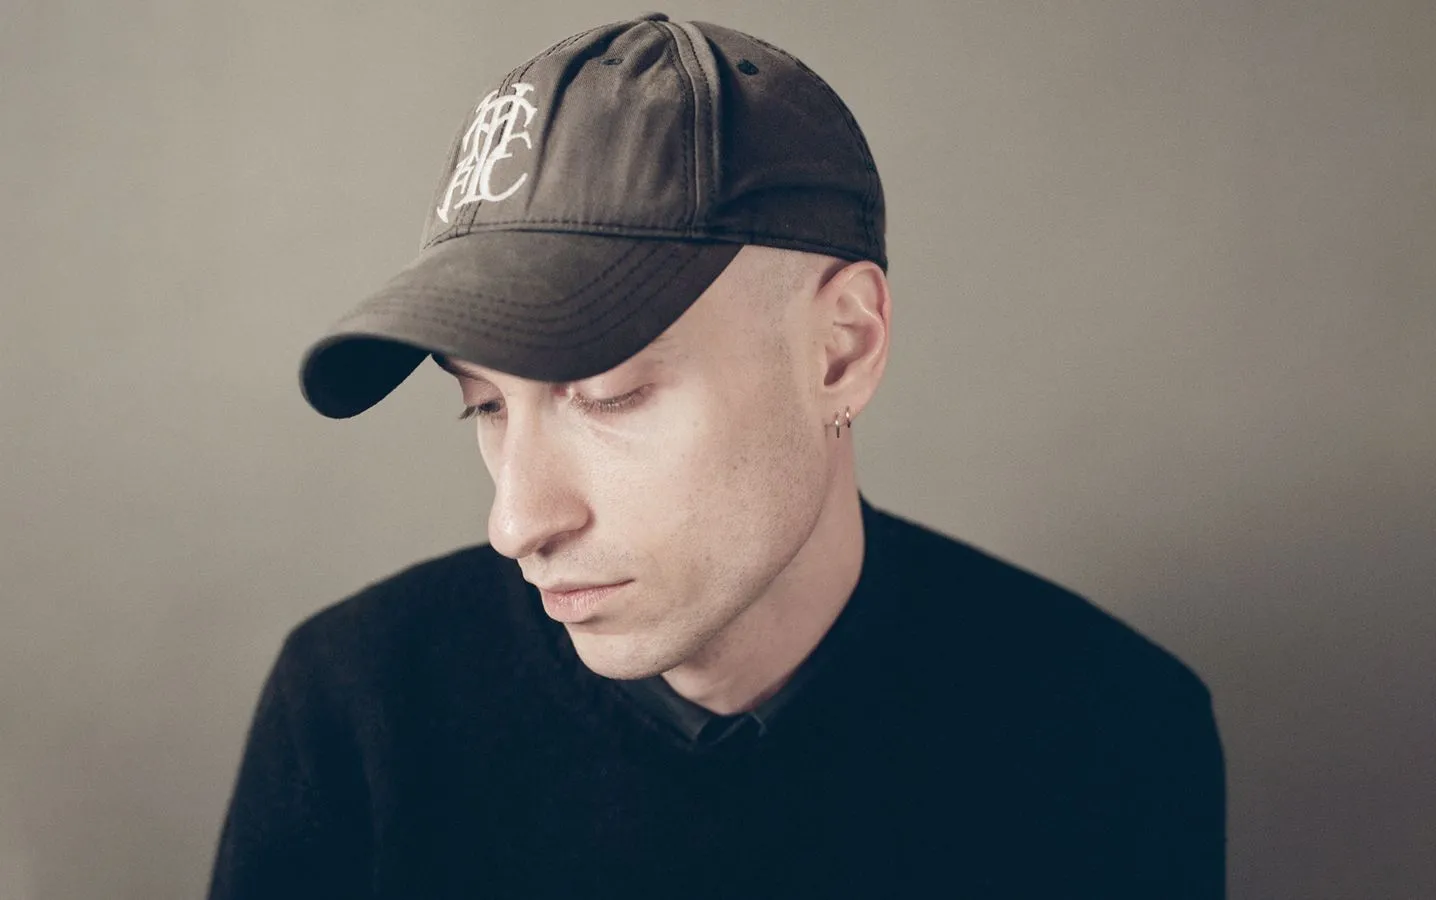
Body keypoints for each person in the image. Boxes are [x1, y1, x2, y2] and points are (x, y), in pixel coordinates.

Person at [208, 12, 1226, 899]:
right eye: (483, 406)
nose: (517, 522)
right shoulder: (357, 710)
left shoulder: (1110, 731)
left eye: (607, 394)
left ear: (841, 349)